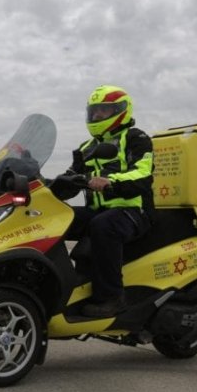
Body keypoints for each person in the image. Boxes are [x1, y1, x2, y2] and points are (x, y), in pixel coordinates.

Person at [65, 85, 155, 318]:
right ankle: (62, 283)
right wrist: (35, 181)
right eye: (94, 112)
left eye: (103, 111)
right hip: (98, 211)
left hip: (133, 211)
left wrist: (110, 181)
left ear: (121, 110)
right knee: (55, 217)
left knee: (104, 225)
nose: (97, 117)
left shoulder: (137, 138)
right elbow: (69, 177)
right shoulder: (86, 148)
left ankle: (112, 298)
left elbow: (143, 173)